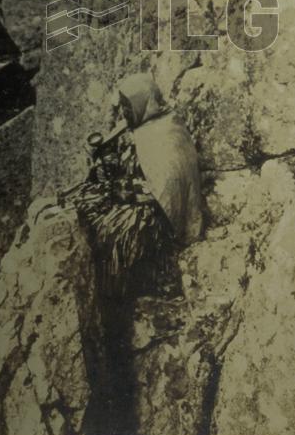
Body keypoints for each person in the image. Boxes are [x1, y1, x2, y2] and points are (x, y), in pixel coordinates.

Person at [74, 71, 203, 300]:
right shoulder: (140, 126)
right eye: (123, 107)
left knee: (112, 235)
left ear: (143, 103)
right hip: (143, 198)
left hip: (160, 215)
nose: (124, 112)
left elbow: (168, 188)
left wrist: (127, 193)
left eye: (128, 106)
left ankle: (117, 299)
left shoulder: (168, 132)